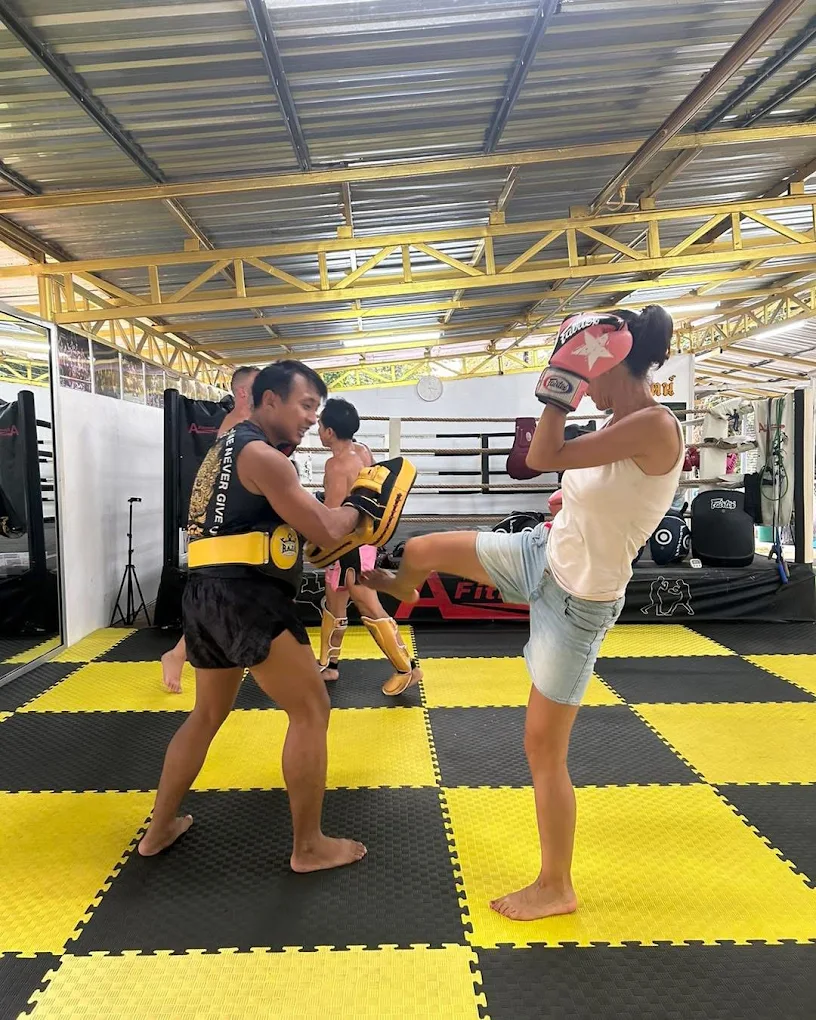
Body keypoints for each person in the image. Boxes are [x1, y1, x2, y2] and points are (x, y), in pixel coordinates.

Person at [361, 306, 684, 920]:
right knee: (424, 551)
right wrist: (572, 501)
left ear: (606, 363)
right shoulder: (618, 422)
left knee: (542, 749)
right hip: (542, 551)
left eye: (587, 375)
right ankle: (399, 590)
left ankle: (556, 886)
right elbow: (588, 481)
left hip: (579, 602)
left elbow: (541, 453)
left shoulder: (653, 425)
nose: (586, 391)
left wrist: (562, 382)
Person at [139, 360, 413, 871]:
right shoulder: (265, 458)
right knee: (311, 711)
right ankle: (309, 846)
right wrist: (363, 501)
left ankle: (158, 831)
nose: (312, 418)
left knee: (207, 714)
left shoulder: (223, 446)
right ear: (269, 400)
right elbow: (328, 528)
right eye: (305, 405)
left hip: (203, 595)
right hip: (248, 599)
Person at [162, 366, 259, 693]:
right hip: (225, 526)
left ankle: (183, 653)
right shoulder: (237, 426)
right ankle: (179, 654)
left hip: (235, 523)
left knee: (235, 595)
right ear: (242, 392)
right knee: (221, 597)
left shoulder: (246, 425)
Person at [317, 398, 422, 696]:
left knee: (368, 605)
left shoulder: (336, 465)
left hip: (347, 546)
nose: (318, 430)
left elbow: (333, 513)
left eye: (320, 426)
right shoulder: (363, 451)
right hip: (364, 540)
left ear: (330, 432)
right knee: (334, 603)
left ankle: (406, 668)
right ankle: (328, 665)